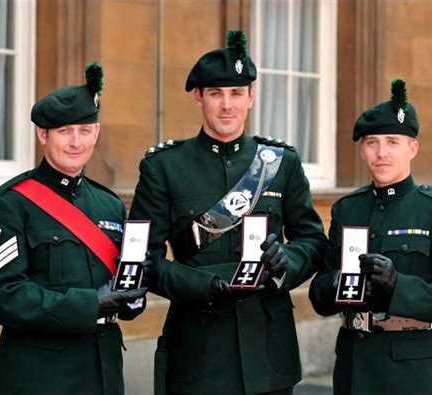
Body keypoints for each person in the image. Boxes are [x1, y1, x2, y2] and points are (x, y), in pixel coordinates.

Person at [129, 30, 326, 395]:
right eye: (216, 94)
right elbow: (142, 259)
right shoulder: (164, 167)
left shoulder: (280, 163)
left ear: (251, 97)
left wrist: (287, 261)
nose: (227, 105)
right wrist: (203, 285)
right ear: (198, 97)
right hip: (197, 351)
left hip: (269, 351)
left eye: (237, 94)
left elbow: (313, 241)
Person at [0, 63, 153, 395]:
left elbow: (118, 284)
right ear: (43, 134)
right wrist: (90, 304)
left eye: (85, 130)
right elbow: (3, 296)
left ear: (97, 132)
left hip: (103, 374)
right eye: (65, 131)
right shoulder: (11, 204)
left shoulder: (111, 205)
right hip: (40, 377)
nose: (76, 142)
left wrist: (133, 295)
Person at [309, 79, 432, 395]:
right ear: (362, 150)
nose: (382, 152)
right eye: (372, 142)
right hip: (353, 363)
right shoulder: (347, 209)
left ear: (412, 148)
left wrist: (398, 286)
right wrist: (333, 285)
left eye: (392, 141)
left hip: (412, 371)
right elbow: (319, 292)